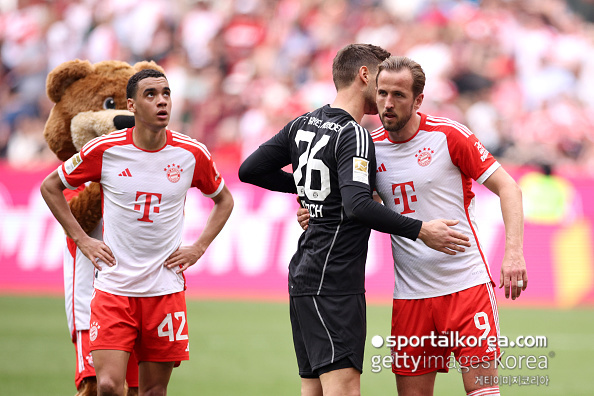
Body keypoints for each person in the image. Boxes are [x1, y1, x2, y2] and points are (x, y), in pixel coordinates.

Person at [238, 44, 471, 396]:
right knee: (343, 390)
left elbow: (250, 170)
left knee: (313, 389)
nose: (385, 95)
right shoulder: (355, 133)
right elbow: (359, 205)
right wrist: (421, 230)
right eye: (381, 80)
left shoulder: (303, 124)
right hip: (334, 281)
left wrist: (312, 193)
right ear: (365, 76)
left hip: (303, 273)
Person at [298, 56, 528, 396]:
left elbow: (509, 187)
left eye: (399, 95)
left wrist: (513, 255)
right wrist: (313, 212)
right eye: (382, 93)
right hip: (411, 297)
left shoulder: (449, 136)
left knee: (483, 392)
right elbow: (356, 203)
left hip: (466, 287)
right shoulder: (367, 147)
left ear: (418, 99)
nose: (388, 104)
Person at [40, 68, 234, 396]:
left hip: (164, 290)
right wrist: (82, 239)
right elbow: (51, 187)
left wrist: (198, 247)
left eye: (166, 94)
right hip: (114, 290)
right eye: (151, 95)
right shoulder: (106, 149)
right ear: (130, 105)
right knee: (108, 385)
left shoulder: (192, 153)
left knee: (152, 391)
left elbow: (224, 200)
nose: (162, 102)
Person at [63, 187, 139, 396]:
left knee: (138, 389)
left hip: (138, 299)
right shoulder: (76, 179)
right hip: (90, 303)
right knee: (96, 387)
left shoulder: (136, 171)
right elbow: (77, 218)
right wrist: (102, 178)